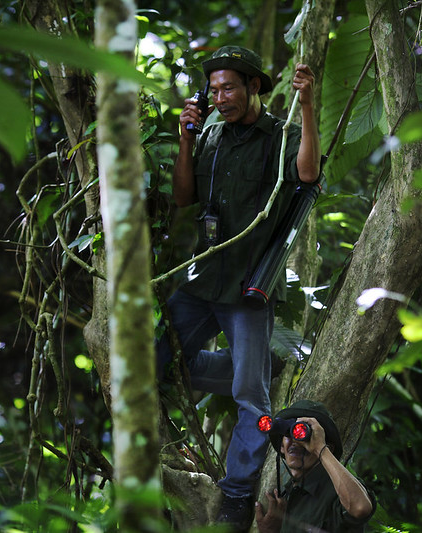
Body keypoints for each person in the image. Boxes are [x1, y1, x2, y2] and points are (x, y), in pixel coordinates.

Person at [156, 45, 322, 532]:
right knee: (155, 360)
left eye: (229, 87)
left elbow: (308, 173)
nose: (220, 97)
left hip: (248, 286)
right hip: (202, 278)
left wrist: (308, 105)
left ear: (253, 87)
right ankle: (251, 367)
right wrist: (186, 140)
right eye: (214, 90)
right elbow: (184, 197)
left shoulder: (279, 135)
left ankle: (234, 493)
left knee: (254, 404)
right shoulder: (211, 137)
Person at [255, 400, 376, 533]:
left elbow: (360, 507)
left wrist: (320, 449)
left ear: (328, 447)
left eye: (303, 436)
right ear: (282, 447)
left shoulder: (336, 490)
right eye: (288, 434)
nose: (295, 442)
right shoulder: (286, 495)